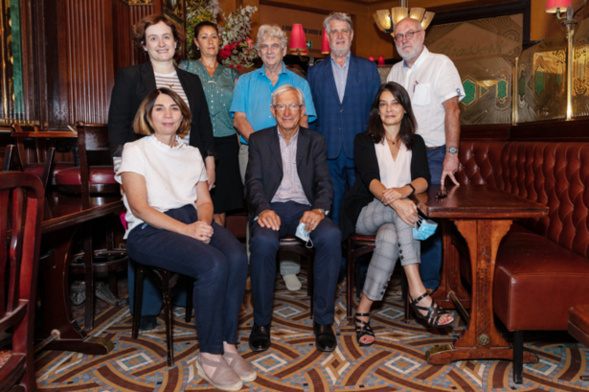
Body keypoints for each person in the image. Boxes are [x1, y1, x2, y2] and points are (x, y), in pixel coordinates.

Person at [118, 88, 253, 391]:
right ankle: (209, 357)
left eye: (174, 108)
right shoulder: (135, 150)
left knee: (236, 257)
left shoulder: (192, 153)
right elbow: (140, 206)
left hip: (191, 218)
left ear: (182, 116)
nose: (168, 114)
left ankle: (229, 346)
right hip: (149, 229)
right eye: (160, 109)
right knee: (213, 264)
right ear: (148, 116)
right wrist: (188, 231)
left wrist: (203, 225)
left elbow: (205, 201)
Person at [107, 14, 215, 330]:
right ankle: (145, 308)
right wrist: (121, 172)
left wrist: (208, 165)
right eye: (153, 38)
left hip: (185, 168)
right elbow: (117, 124)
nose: (161, 43)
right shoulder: (130, 77)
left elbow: (203, 126)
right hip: (146, 169)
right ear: (144, 45)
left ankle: (183, 297)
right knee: (148, 226)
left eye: (166, 37)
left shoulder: (191, 80)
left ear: (176, 43)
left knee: (188, 224)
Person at [341, 82, 454, 346]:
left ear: (404, 109)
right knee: (404, 212)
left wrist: (404, 192)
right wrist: (399, 203)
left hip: (394, 218)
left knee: (391, 236)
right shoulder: (363, 141)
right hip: (366, 211)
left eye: (395, 103)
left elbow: (424, 179)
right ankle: (418, 291)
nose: (389, 109)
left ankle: (363, 312)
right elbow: (370, 180)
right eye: (383, 103)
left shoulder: (415, 142)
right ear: (377, 110)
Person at [245, 85, 341, 353]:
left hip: (305, 209)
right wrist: (263, 209)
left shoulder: (315, 141)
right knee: (262, 243)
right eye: (281, 107)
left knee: (332, 236)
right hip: (272, 209)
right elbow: (252, 182)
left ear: (302, 111)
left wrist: (319, 209)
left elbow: (324, 182)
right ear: (273, 111)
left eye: (293, 106)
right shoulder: (259, 140)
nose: (287, 112)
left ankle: (323, 323)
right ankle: (261, 323)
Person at [231, 24, 317, 292]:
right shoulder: (245, 81)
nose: (269, 51)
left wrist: (288, 145)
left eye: (275, 46)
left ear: (284, 50)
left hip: (291, 150)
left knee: (290, 201)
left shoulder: (299, 82)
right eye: (264, 47)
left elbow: (304, 119)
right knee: (258, 206)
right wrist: (263, 145)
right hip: (252, 150)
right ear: (259, 51)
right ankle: (253, 263)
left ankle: (289, 269)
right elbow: (239, 118)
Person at [386, 17, 464, 292]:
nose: (404, 40)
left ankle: (428, 288)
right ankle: (411, 282)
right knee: (405, 215)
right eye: (399, 36)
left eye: (410, 34)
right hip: (401, 157)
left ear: (422, 34)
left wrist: (451, 154)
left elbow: (453, 110)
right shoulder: (394, 71)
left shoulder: (441, 64)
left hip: (433, 155)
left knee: (427, 217)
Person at [306, 12, 381, 225]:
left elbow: (376, 111)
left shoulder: (368, 69)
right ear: (328, 36)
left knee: (363, 208)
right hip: (327, 152)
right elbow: (310, 115)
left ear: (352, 35)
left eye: (344, 31)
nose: (340, 36)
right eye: (334, 31)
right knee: (332, 209)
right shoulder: (314, 73)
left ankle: (360, 258)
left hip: (361, 151)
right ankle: (337, 257)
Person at [179, 21, 242, 227]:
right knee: (195, 200)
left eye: (214, 36)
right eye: (204, 37)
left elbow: (238, 112)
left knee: (221, 203)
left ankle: (220, 252)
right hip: (195, 142)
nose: (210, 41)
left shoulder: (232, 74)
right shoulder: (186, 68)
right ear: (196, 42)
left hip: (226, 143)